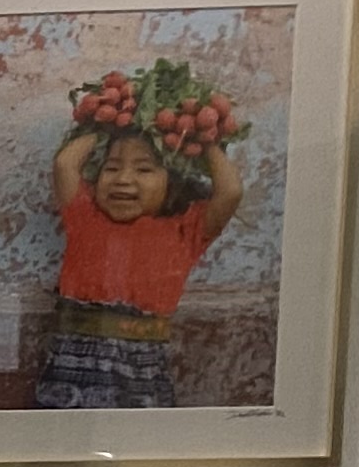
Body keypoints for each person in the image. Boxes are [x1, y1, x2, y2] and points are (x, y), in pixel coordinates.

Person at [37, 116, 252, 411]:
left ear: (172, 183)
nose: (123, 179)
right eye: (111, 167)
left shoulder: (186, 230)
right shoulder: (84, 217)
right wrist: (108, 121)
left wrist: (201, 138)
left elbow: (230, 191)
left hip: (144, 365)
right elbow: (65, 164)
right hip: (72, 363)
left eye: (144, 169)